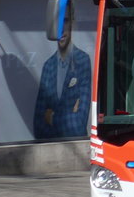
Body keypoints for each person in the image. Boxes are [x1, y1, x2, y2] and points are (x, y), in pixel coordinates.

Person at [33, 7, 92, 139]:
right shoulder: (48, 66)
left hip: (75, 146)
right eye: (56, 23)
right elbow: (38, 125)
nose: (60, 29)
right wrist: (69, 116)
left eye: (64, 21)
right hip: (50, 146)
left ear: (72, 24)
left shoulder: (83, 60)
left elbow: (79, 124)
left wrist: (52, 117)